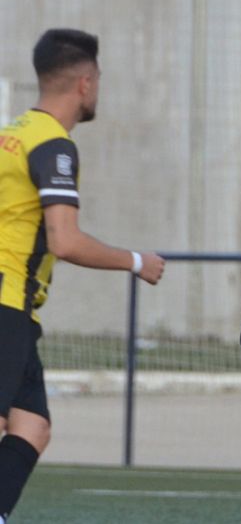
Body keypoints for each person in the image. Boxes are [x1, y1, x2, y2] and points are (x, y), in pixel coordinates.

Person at [0, 29, 165, 524]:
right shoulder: (55, 146)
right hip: (6, 301)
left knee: (32, 425)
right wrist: (136, 261)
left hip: (18, 311)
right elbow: (64, 241)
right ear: (86, 83)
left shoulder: (13, 133)